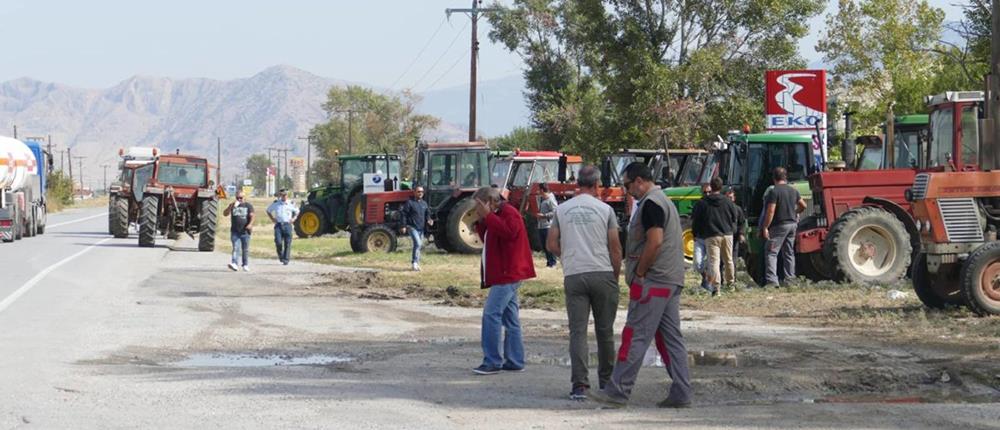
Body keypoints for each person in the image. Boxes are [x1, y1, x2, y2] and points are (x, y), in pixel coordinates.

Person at [590, 162, 692, 409]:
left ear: (638, 180)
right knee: (670, 340)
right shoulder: (663, 201)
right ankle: (681, 392)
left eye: (627, 185)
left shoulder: (651, 204)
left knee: (634, 335)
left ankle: (617, 392)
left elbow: (654, 242)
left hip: (654, 281)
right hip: (670, 279)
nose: (627, 191)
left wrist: (642, 273)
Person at [545, 166, 622, 400]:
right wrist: (614, 276)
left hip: (575, 274)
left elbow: (551, 243)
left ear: (578, 183)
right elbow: (615, 247)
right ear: (597, 184)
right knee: (605, 331)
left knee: (577, 332)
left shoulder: (563, 209)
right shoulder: (605, 209)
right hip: (602, 272)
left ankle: (580, 385)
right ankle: (607, 381)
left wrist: (567, 256)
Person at [472, 186, 536, 375]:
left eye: (479, 206)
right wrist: (483, 219)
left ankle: (492, 361)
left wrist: (489, 217)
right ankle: (515, 360)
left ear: (489, 202)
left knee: (491, 314)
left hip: (509, 273)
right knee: (510, 318)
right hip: (504, 272)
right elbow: (488, 237)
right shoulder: (498, 214)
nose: (476, 209)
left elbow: (509, 232)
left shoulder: (510, 213)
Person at [691, 177, 740, 296]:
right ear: (721, 187)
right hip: (727, 234)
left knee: (714, 262)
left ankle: (716, 288)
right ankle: (731, 285)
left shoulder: (703, 203)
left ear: (711, 187)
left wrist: (695, 233)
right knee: (729, 260)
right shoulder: (728, 202)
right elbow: (735, 217)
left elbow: (696, 221)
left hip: (712, 235)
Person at [760, 167, 807, 286]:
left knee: (771, 252)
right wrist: (795, 211)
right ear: (785, 177)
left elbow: (771, 211)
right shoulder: (793, 190)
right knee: (789, 253)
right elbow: (804, 205)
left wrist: (765, 227)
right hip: (792, 225)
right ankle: (790, 279)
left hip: (779, 226)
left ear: (774, 178)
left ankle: (772, 281)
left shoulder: (774, 191)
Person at [401, 186, 433, 271]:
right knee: (418, 244)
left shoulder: (424, 204)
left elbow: (427, 214)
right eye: (418, 191)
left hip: (421, 228)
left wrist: (429, 220)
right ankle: (414, 263)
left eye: (422, 191)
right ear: (414, 192)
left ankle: (417, 263)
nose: (420, 193)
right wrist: (403, 226)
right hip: (412, 227)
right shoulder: (409, 203)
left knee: (418, 245)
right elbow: (404, 214)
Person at [266, 189, 299, 265]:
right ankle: (281, 256)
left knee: (288, 243)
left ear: (287, 195)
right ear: (280, 195)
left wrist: (294, 218)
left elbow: (297, 211)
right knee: (278, 242)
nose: (284, 196)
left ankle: (286, 259)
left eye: (285, 195)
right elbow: (268, 210)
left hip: (287, 225)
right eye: (282, 195)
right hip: (278, 225)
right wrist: (272, 218)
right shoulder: (276, 203)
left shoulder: (291, 203)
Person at [224, 191, 254, 272]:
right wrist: (230, 207)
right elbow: (225, 214)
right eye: (237, 198)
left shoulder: (248, 206)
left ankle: (245, 264)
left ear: (244, 198)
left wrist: (250, 224)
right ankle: (234, 263)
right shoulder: (233, 205)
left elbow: (252, 216)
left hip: (245, 231)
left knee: (245, 249)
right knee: (236, 247)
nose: (239, 199)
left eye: (241, 198)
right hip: (235, 231)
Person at [691, 184, 712, 292]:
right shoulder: (698, 204)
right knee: (698, 263)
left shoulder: (714, 204)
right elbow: (694, 220)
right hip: (699, 237)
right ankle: (704, 276)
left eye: (709, 192)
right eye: (705, 192)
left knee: (710, 263)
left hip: (711, 237)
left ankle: (708, 283)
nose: (707, 194)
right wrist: (694, 234)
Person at [536, 183, 559, 268]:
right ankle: (549, 262)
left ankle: (553, 263)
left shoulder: (550, 199)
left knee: (549, 245)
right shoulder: (542, 199)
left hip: (548, 226)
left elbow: (555, 211)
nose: (538, 191)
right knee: (544, 246)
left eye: (539, 189)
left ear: (542, 190)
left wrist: (544, 215)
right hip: (541, 225)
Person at [724, 186, 747, 263]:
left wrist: (741, 234)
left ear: (734, 198)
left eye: (731, 197)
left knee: (733, 260)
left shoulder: (738, 209)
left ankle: (733, 274)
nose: (729, 199)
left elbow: (742, 223)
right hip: (723, 237)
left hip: (734, 237)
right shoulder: (721, 209)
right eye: (727, 197)